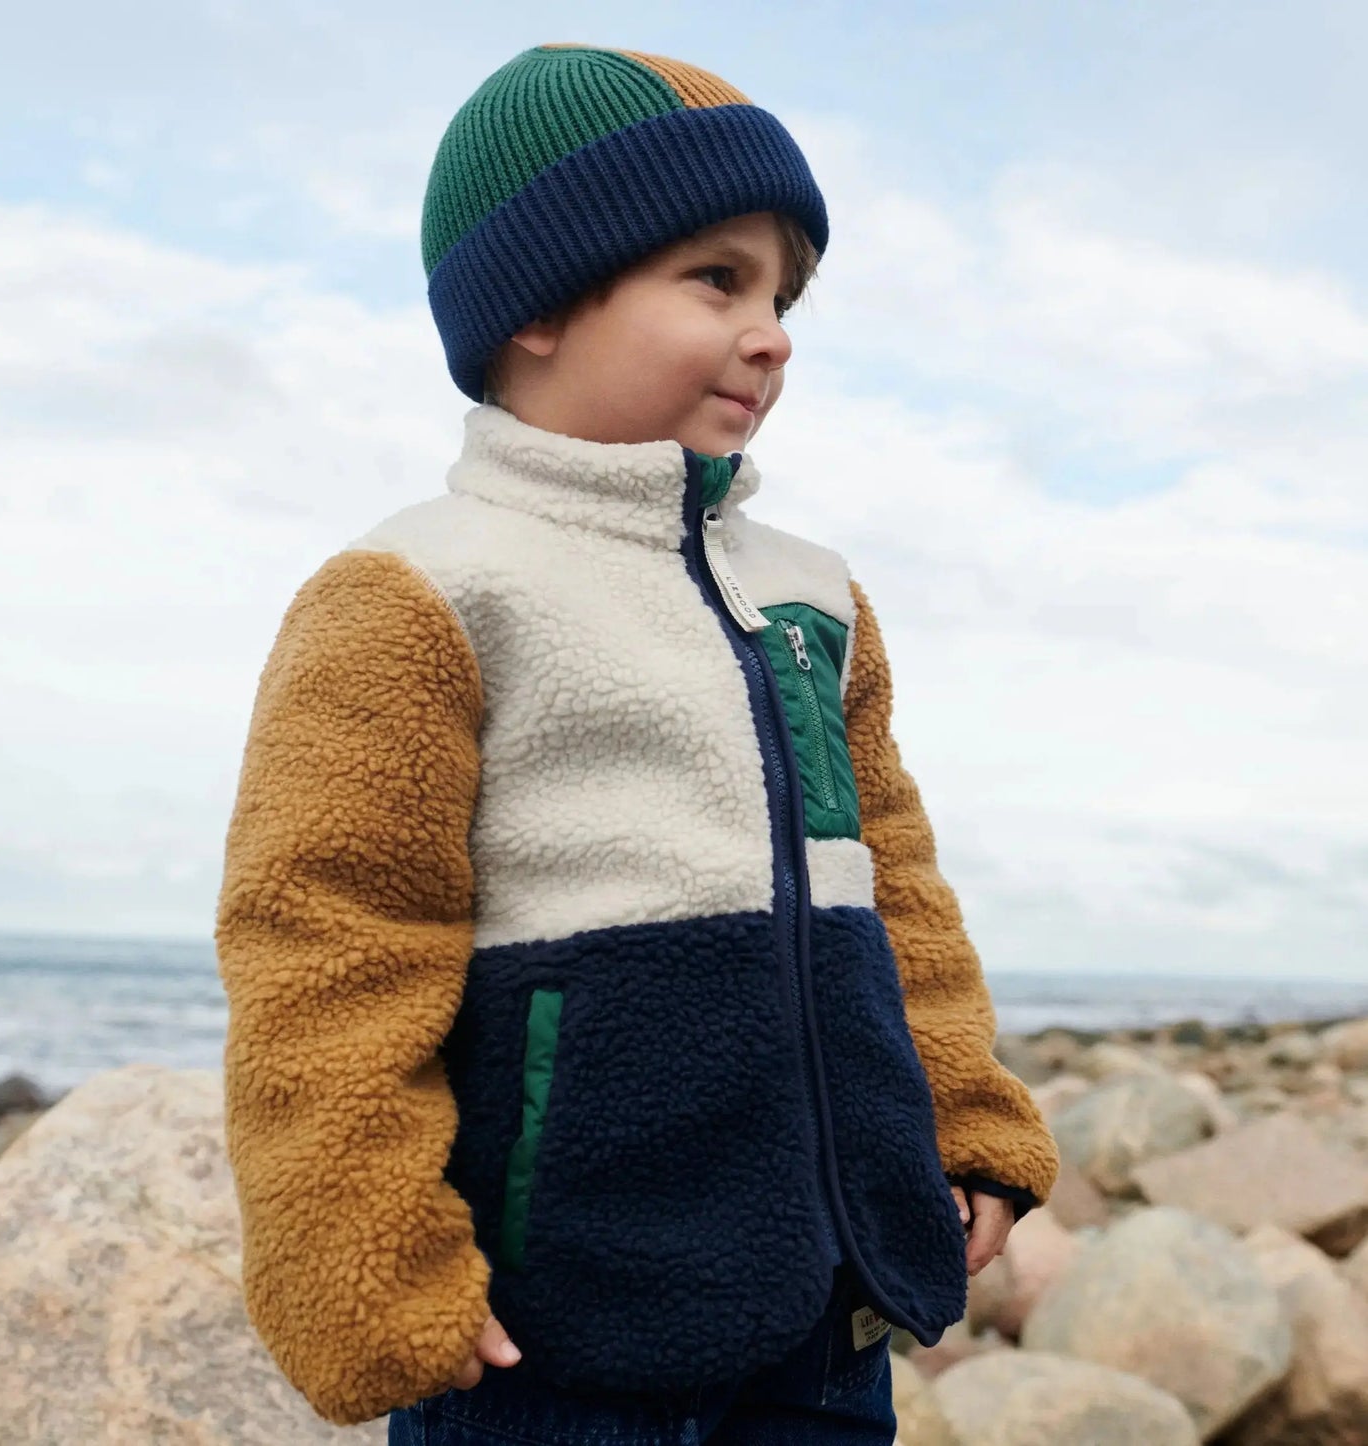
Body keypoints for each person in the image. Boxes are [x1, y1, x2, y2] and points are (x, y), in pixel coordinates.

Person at [214, 41, 1060, 1445]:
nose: (772, 332)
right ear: (540, 299)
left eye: (783, 295)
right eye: (717, 279)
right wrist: (366, 1257)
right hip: (560, 1330)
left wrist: (965, 1118)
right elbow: (329, 942)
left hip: (825, 1308)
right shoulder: (421, 591)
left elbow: (894, 885)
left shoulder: (814, 598)